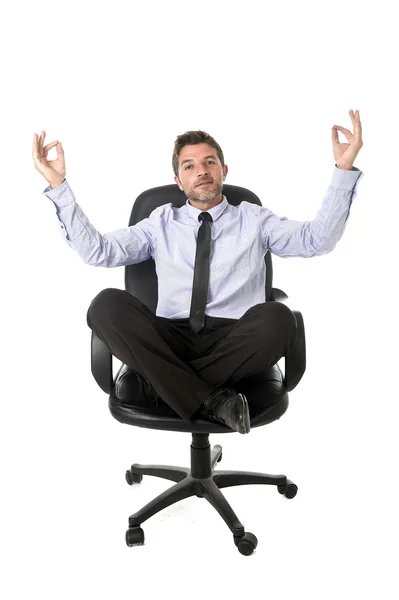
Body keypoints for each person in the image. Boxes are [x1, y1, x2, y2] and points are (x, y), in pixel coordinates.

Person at [32, 110, 364, 435]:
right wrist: (57, 183)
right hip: (168, 337)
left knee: (279, 318)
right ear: (178, 181)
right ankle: (212, 399)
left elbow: (318, 239)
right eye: (189, 166)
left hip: (233, 342)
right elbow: (97, 251)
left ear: (224, 170)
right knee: (105, 304)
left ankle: (166, 386)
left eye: (209, 162)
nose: (201, 171)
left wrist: (343, 168)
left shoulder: (255, 219)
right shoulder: (159, 222)